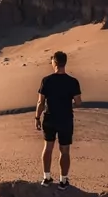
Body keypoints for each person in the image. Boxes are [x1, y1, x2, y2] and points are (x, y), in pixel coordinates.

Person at [35, 51, 82, 189]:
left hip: (49, 118)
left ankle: (47, 178)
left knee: (48, 148)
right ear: (64, 63)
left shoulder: (46, 80)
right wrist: (66, 104)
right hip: (65, 119)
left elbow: (40, 102)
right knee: (65, 150)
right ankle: (63, 181)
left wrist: (37, 117)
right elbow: (78, 102)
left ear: (54, 63)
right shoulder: (73, 82)